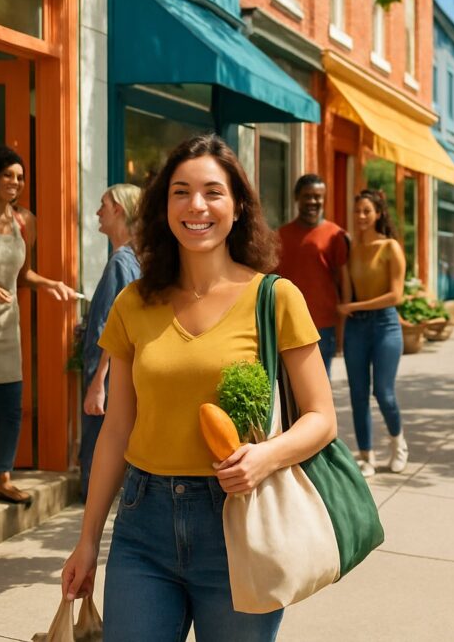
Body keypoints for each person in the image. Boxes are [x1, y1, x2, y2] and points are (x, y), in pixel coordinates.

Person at [60, 134, 337, 641]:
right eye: (181, 192)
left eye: (212, 191)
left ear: (237, 207)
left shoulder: (275, 299)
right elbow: (118, 429)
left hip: (240, 523)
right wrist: (86, 541)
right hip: (144, 525)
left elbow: (322, 418)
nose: (196, 206)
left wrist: (266, 457)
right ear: (164, 206)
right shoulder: (133, 303)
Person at [0, 145, 78, 505]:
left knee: (11, 405)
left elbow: (22, 275)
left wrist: (49, 283)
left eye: (20, 177)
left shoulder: (26, 221)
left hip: (8, 326)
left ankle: (3, 479)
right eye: (8, 174)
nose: (15, 182)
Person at [337, 190, 408, 478]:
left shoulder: (390, 247)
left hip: (385, 325)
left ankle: (398, 444)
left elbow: (396, 295)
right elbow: (345, 292)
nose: (361, 216)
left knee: (384, 392)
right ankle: (366, 455)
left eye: (367, 211)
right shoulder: (350, 249)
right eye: (357, 211)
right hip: (356, 328)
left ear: (378, 213)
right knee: (357, 394)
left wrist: (353, 305)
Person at [79, 183, 142, 502]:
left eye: (103, 204)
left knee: (99, 451)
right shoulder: (131, 259)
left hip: (108, 375)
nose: (97, 212)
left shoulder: (121, 262)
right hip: (119, 373)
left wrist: (98, 383)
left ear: (118, 209)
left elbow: (115, 329)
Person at [275, 174, 349, 377]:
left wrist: (342, 332)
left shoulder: (336, 235)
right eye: (307, 196)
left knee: (319, 384)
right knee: (288, 386)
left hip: (323, 325)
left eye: (318, 197)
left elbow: (344, 285)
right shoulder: (279, 236)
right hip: (286, 323)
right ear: (296, 198)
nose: (312, 201)